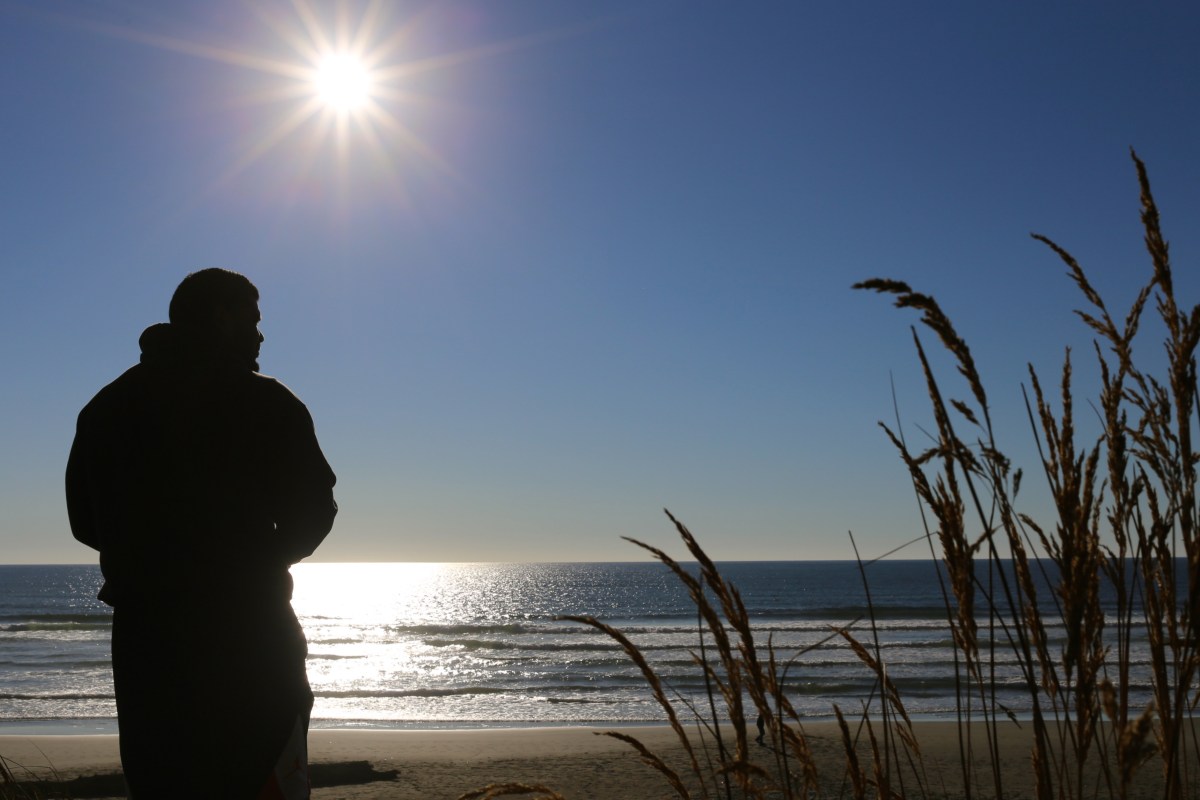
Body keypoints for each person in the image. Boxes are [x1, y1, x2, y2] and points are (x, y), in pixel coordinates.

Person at [66, 268, 337, 799]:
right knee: (262, 776)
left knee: (163, 783)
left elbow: (84, 522)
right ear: (222, 317)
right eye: (254, 321)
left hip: (149, 646)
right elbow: (314, 511)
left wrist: (153, 557)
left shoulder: (106, 407)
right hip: (250, 638)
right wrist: (252, 563)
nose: (261, 336)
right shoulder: (265, 402)